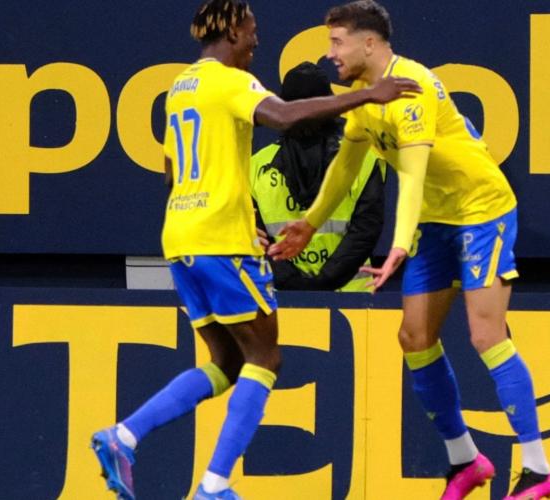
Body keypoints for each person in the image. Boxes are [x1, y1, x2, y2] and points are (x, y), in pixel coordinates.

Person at [89, 1, 420, 499]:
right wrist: (369, 95)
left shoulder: (179, 87)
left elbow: (170, 170)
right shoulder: (229, 81)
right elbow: (284, 116)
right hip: (219, 239)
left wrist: (230, 206)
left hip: (180, 237)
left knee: (225, 362)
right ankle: (214, 486)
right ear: (232, 30)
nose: (256, 41)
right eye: (252, 30)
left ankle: (125, 435)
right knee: (266, 358)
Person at [269, 1, 550, 499]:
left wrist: (399, 244)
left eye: (337, 41)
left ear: (369, 43)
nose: (329, 52)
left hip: (479, 209)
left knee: (485, 335)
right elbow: (345, 165)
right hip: (434, 218)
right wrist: (311, 224)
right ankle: (465, 459)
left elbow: (414, 175)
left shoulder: (413, 87)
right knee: (414, 337)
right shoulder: (364, 95)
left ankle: (537, 468)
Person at [250, 61, 385, 292]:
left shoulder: (257, 165)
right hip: (352, 298)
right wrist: (324, 284)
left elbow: (259, 242)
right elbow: (365, 232)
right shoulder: (364, 156)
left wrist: (296, 286)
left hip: (283, 298)